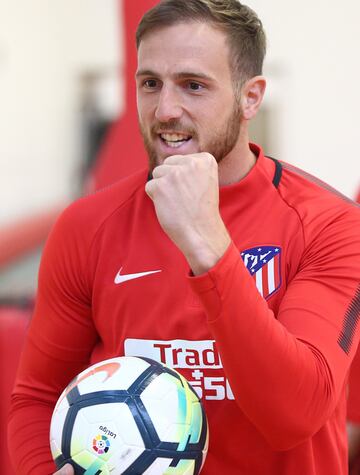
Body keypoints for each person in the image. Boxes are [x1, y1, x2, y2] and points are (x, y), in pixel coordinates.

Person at [7, 1, 360, 474]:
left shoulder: (331, 225)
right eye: (150, 83)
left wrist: (207, 243)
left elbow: (294, 415)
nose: (166, 110)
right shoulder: (86, 226)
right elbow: (36, 397)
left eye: (193, 86)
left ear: (250, 97)